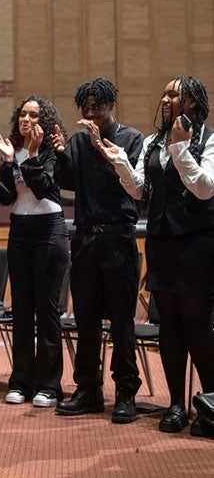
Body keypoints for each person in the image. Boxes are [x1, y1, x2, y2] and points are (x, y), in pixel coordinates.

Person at [96, 75, 214, 436]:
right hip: (162, 242)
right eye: (163, 92)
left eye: (173, 94)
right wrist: (120, 163)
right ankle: (176, 404)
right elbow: (140, 191)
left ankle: (209, 404)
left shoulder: (209, 140)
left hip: (197, 243)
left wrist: (180, 150)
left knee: (197, 326)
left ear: (192, 101)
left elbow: (205, 189)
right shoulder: (152, 142)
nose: (165, 99)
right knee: (170, 327)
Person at [52, 78, 144, 424]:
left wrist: (100, 148)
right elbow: (65, 182)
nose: (91, 113)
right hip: (86, 238)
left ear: (111, 106)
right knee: (86, 319)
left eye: (97, 106)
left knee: (121, 322)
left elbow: (131, 186)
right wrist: (60, 154)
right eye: (86, 107)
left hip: (119, 238)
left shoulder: (132, 140)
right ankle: (88, 389)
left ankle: (125, 393)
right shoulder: (77, 142)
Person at [0, 95, 70, 408]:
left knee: (47, 309)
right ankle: (20, 381)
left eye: (35, 115)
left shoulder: (52, 152)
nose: (27, 120)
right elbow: (3, 197)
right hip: (20, 231)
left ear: (45, 120)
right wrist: (9, 162)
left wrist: (33, 156)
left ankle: (49, 385)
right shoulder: (13, 149)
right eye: (23, 114)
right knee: (21, 308)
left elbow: (43, 189)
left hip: (49, 230)